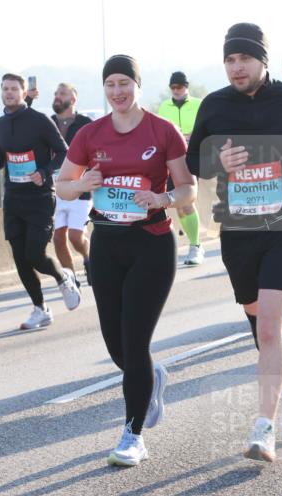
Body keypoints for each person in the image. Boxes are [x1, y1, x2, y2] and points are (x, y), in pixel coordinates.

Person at [187, 23, 282, 462]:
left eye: (244, 59)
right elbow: (195, 160)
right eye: (230, 60)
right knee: (257, 324)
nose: (236, 67)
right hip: (238, 229)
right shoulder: (214, 104)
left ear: (262, 61)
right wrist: (217, 158)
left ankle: (263, 429)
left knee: (270, 327)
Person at [56, 55, 197, 466]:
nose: (118, 92)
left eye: (125, 83)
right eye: (111, 84)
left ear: (137, 85)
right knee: (116, 343)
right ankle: (150, 377)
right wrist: (83, 183)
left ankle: (132, 435)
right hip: (107, 246)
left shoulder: (163, 130)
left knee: (135, 342)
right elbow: (63, 186)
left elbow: (188, 188)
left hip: (151, 244)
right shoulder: (90, 133)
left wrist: (164, 197)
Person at [0, 73, 81, 331]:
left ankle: (63, 278)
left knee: (35, 254)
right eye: (5, 88)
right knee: (20, 257)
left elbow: (64, 152)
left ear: (24, 91)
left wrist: (44, 171)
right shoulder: (0, 125)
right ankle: (41, 309)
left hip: (40, 198)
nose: (9, 93)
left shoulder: (39, 121)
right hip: (13, 199)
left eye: (14, 89)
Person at [157, 71, 206, 265]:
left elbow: (203, 129)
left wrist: (188, 137)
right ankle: (193, 243)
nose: (176, 90)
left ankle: (195, 246)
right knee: (178, 204)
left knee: (186, 202)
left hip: (190, 158)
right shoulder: (164, 106)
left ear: (186, 87)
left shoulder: (197, 104)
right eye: (173, 87)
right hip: (170, 160)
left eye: (180, 87)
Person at [49, 83, 94, 285]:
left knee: (76, 236)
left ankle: (88, 259)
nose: (58, 97)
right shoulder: (47, 123)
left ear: (73, 99)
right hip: (54, 189)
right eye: (56, 94)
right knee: (58, 237)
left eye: (63, 94)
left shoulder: (86, 124)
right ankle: (70, 276)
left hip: (80, 189)